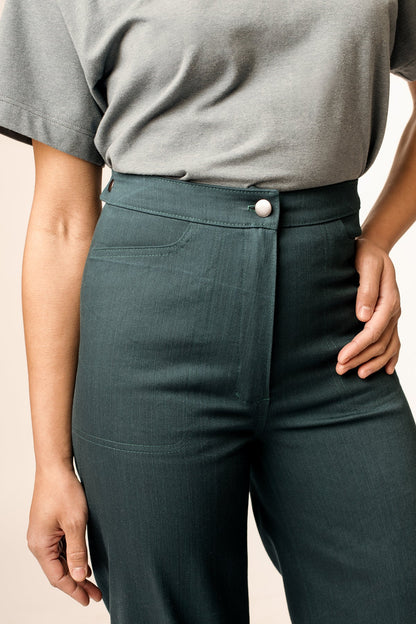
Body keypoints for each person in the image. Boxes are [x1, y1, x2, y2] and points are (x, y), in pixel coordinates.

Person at [1, 1, 416, 622]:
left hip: (336, 335)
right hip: (149, 340)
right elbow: (61, 220)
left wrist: (378, 238)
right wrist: (52, 464)